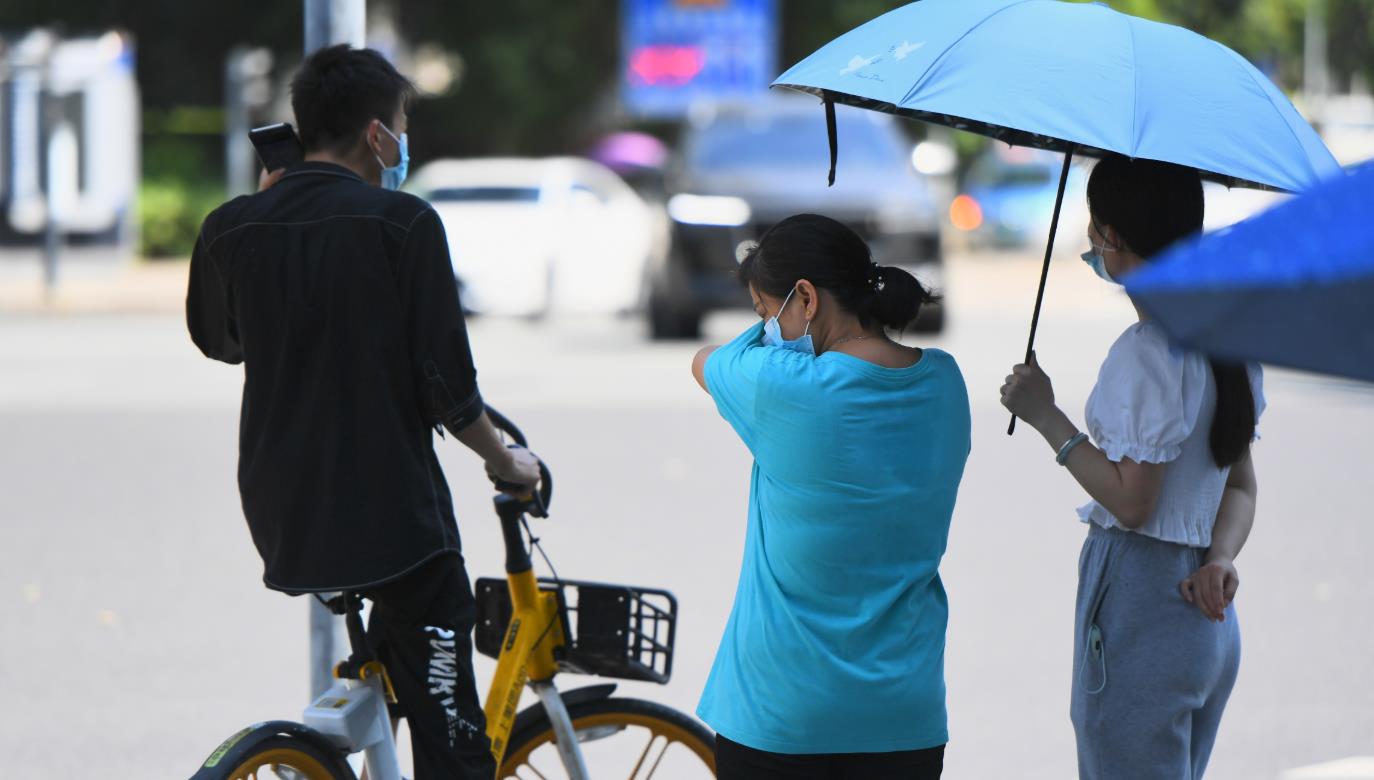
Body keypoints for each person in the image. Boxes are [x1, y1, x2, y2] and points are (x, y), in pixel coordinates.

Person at [186, 44, 539, 779]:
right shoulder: (404, 223)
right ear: (378, 133)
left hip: (283, 511)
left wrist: (265, 211)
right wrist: (508, 463)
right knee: (455, 747)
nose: (403, 142)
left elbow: (220, 343)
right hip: (391, 518)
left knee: (392, 659)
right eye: (402, 124)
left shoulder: (230, 227)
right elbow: (448, 389)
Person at [999, 154, 1265, 779]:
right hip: (1206, 620)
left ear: (1114, 237)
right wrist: (1220, 558)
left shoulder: (1146, 354)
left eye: (1095, 229)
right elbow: (1242, 483)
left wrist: (1045, 416)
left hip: (1143, 608)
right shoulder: (1230, 345)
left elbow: (1133, 501)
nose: (1092, 243)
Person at [690, 214, 971, 779]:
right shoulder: (944, 381)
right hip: (903, 717)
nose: (766, 327)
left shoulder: (785, 387)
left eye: (765, 311)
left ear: (807, 299)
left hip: (780, 714)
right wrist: (782, 310)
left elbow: (704, 361)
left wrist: (771, 330)